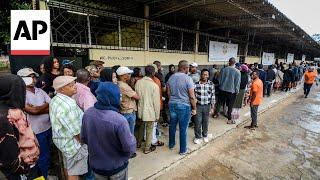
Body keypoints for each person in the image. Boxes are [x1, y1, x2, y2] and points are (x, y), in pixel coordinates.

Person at [81, 82, 136, 180]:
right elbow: (129, 148)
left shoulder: (88, 114)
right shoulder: (119, 120)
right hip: (117, 167)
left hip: (97, 167)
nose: (121, 98)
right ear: (111, 97)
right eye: (118, 95)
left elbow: (84, 139)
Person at [0, 75, 40, 179]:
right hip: (22, 170)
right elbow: (9, 154)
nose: (24, 93)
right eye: (21, 90)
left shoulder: (12, 109)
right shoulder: (4, 118)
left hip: (30, 164)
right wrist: (25, 170)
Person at [50, 76, 88, 179]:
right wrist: (84, 143)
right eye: (71, 85)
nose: (75, 87)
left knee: (69, 168)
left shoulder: (55, 99)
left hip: (63, 142)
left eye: (74, 83)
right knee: (75, 173)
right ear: (61, 89)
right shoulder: (69, 106)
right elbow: (77, 131)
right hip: (74, 145)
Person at [17, 68, 52, 178]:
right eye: (29, 77)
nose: (33, 79)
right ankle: (42, 177)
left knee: (46, 156)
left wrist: (38, 109)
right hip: (34, 132)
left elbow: (52, 106)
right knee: (38, 158)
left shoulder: (40, 91)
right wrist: (44, 105)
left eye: (33, 76)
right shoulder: (21, 94)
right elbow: (33, 111)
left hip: (47, 127)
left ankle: (44, 175)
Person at [167, 60, 196, 155]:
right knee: (183, 128)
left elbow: (168, 93)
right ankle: (183, 150)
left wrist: (173, 100)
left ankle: (171, 145)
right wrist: (194, 108)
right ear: (184, 68)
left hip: (172, 104)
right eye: (188, 67)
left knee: (172, 126)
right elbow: (192, 96)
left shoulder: (171, 77)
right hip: (184, 106)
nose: (189, 69)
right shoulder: (188, 79)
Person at [135, 65, 162, 154]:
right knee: (149, 130)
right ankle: (147, 148)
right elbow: (156, 103)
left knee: (141, 127)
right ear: (153, 73)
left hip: (141, 110)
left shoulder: (138, 82)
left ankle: (138, 143)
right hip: (150, 112)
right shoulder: (154, 86)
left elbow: (137, 97)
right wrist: (157, 115)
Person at [212, 57, 241, 124]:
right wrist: (237, 91)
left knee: (219, 102)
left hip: (222, 89)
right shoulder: (237, 72)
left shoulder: (223, 70)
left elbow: (219, 80)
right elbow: (237, 83)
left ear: (229, 62)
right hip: (232, 91)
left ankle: (215, 114)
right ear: (235, 62)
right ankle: (229, 119)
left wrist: (222, 85)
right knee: (230, 105)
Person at [193, 69, 215, 144]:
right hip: (198, 106)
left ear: (208, 76)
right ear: (201, 75)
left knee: (206, 122)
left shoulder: (211, 84)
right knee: (197, 122)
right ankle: (197, 137)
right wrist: (193, 107)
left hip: (207, 106)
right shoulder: (196, 84)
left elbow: (212, 96)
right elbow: (194, 96)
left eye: (206, 75)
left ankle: (205, 135)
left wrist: (212, 107)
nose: (204, 76)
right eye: (203, 74)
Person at [116, 67, 140, 135]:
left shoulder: (118, 83)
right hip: (128, 112)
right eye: (128, 74)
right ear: (122, 75)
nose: (130, 75)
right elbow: (137, 97)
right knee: (129, 134)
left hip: (123, 110)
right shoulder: (124, 86)